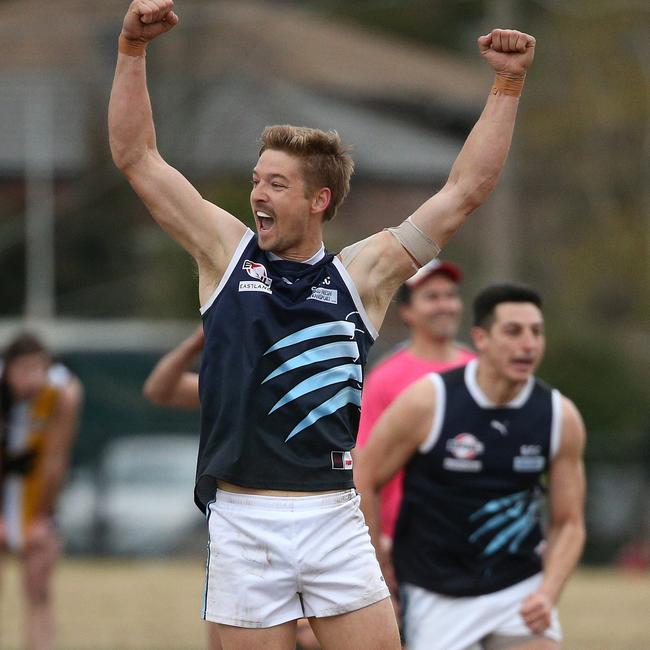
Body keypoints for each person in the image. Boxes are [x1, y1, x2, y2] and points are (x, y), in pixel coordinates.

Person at [109, 1, 535, 646]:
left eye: (276, 185)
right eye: (257, 180)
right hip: (243, 518)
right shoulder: (226, 254)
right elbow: (137, 157)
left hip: (332, 515)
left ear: (319, 200)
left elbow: (464, 191)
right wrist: (131, 52)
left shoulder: (361, 276)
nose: (257, 195)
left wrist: (507, 84)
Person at [355, 285, 587, 650]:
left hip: (518, 586)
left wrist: (548, 591)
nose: (528, 344)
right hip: (435, 590)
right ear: (481, 338)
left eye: (536, 332)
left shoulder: (559, 415)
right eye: (513, 331)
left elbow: (569, 522)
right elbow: (364, 478)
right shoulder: (430, 401)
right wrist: (379, 566)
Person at [143, 328, 321, 650]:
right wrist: (197, 339)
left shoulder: (311, 381)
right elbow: (159, 390)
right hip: (244, 524)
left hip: (312, 522)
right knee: (228, 629)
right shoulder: (232, 384)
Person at [355, 259, 475, 611]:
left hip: (470, 539)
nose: (444, 304)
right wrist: (377, 549)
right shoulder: (386, 378)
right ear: (407, 311)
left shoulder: (480, 370)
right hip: (405, 542)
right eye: (431, 296)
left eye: (450, 295)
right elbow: (364, 468)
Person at [0, 333, 84, 650]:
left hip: (36, 494)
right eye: (22, 369)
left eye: (37, 368)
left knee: (38, 588)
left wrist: (41, 517)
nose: (30, 379)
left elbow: (55, 457)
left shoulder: (64, 391)